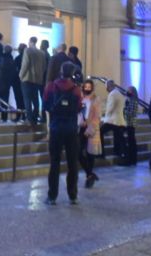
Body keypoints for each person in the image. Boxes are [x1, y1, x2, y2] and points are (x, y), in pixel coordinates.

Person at [43, 61, 83, 205]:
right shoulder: (76, 90)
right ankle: (72, 195)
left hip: (55, 128)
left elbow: (46, 105)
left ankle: (52, 196)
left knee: (54, 163)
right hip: (71, 129)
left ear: (60, 71)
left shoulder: (50, 86)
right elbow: (79, 107)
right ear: (72, 73)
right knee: (72, 163)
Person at [19, 36, 48, 125]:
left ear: (30, 41)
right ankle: (35, 117)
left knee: (27, 99)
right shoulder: (42, 53)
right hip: (37, 80)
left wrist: (21, 75)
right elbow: (44, 67)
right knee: (35, 100)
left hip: (27, 78)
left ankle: (29, 119)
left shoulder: (27, 50)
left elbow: (25, 64)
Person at [78, 80, 102, 188]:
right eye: (85, 86)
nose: (87, 88)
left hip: (91, 128)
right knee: (78, 152)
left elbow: (97, 116)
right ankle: (90, 174)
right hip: (80, 127)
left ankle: (89, 177)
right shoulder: (80, 98)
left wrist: (90, 128)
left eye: (89, 86)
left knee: (90, 154)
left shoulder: (96, 99)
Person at [102, 80, 129, 164]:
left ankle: (101, 153)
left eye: (106, 87)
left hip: (113, 120)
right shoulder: (120, 93)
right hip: (120, 120)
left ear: (109, 86)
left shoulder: (112, 94)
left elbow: (110, 108)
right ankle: (118, 153)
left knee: (99, 132)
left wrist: (104, 119)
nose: (106, 89)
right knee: (119, 137)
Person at [0, 45, 17, 121]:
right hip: (7, 83)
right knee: (5, 100)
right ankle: (4, 117)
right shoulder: (12, 60)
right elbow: (13, 73)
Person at [122, 86, 140, 165]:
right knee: (130, 141)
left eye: (129, 91)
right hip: (129, 123)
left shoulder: (133, 101)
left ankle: (132, 159)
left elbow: (131, 113)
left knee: (131, 142)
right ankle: (131, 159)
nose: (127, 92)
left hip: (131, 124)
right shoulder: (130, 100)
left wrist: (124, 110)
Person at [12, 44, 26, 119]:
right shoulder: (26, 59)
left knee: (18, 99)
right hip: (24, 81)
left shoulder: (17, 58)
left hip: (17, 81)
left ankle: (19, 115)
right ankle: (24, 115)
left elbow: (14, 70)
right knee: (24, 99)